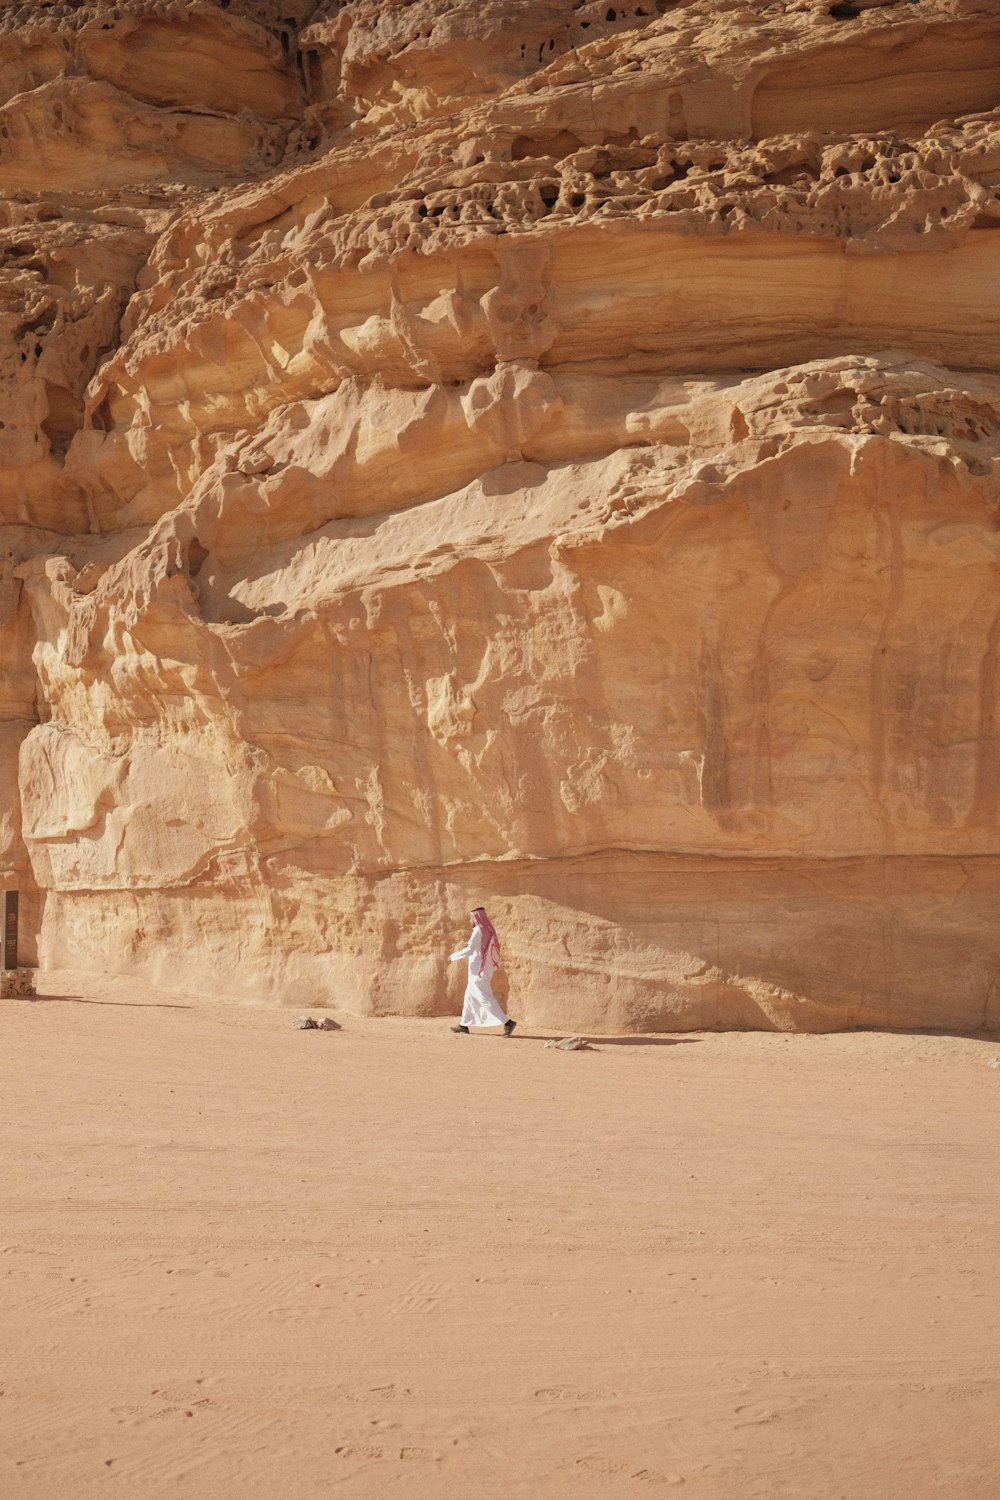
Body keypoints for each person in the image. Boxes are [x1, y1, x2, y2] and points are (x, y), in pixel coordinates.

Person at [449, 906, 516, 1036]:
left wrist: (452, 957)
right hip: (481, 970)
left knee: (483, 997)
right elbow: (476, 947)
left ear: (476, 917)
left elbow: (470, 950)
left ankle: (507, 1022)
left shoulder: (478, 930)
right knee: (469, 997)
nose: (470, 921)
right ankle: (464, 1025)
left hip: (479, 971)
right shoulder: (486, 929)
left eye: (471, 918)